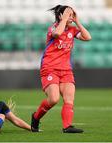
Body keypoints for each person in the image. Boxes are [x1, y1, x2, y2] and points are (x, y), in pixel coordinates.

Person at [31, 5, 91, 133]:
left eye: (71, 15)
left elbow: (87, 37)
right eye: (68, 14)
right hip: (50, 68)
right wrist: (64, 20)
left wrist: (77, 21)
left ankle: (67, 127)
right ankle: (35, 118)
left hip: (66, 70)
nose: (70, 17)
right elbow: (57, 33)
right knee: (53, 99)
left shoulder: (72, 30)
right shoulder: (53, 28)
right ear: (60, 16)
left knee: (69, 99)